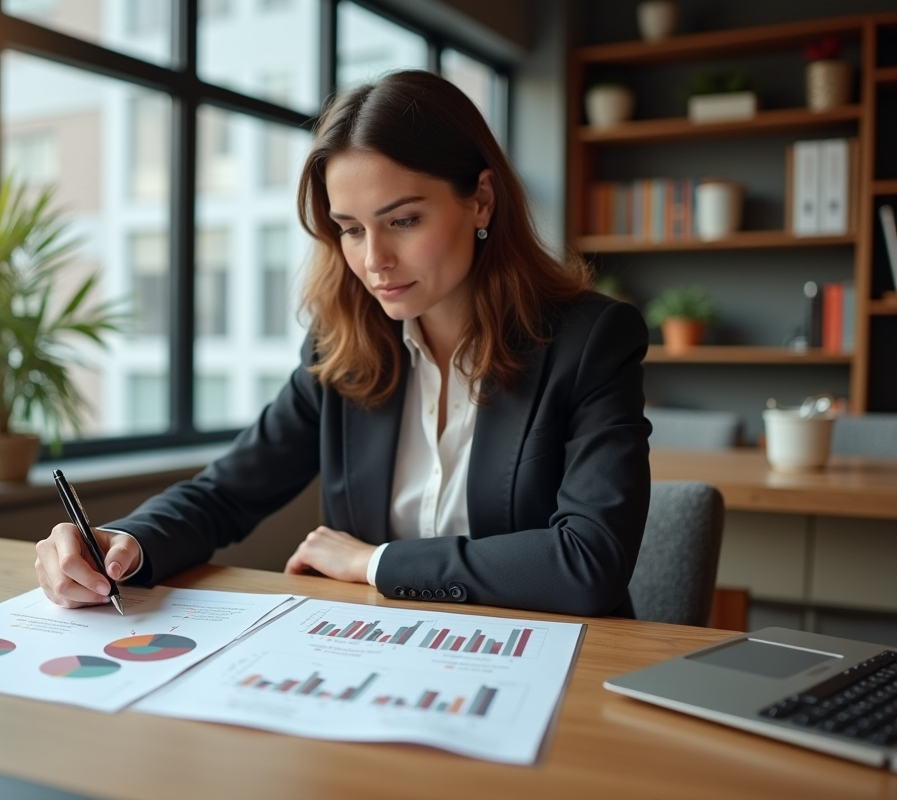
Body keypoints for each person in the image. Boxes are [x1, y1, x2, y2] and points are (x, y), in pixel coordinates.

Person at [36, 69, 651, 617]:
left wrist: (375, 563)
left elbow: (587, 563)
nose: (374, 259)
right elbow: (226, 493)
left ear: (481, 199)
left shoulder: (590, 341)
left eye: (403, 221)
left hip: (554, 670)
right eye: (351, 230)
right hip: (380, 655)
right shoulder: (342, 345)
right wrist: (124, 544)